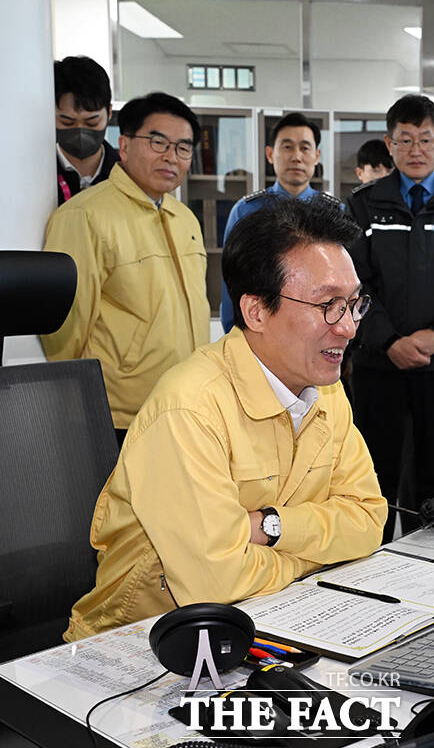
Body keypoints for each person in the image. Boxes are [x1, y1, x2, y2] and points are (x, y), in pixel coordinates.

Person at [63, 197, 387, 641]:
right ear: (256, 311)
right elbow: (215, 583)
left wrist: (269, 527)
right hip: (138, 643)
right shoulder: (189, 409)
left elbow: (368, 520)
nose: (348, 327)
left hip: (271, 620)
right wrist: (314, 556)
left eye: (353, 304)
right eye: (328, 305)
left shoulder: (326, 390)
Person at [347, 94, 434, 541]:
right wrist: (390, 340)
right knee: (373, 475)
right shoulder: (364, 205)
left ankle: (430, 569)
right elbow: (354, 282)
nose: (415, 150)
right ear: (389, 144)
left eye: (426, 139)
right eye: (405, 140)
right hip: (378, 364)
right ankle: (370, 563)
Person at [42, 92, 211, 444]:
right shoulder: (85, 215)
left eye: (183, 148)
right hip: (115, 414)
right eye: (158, 142)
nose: (171, 156)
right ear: (124, 145)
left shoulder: (185, 219)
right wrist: (75, 404)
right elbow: (66, 331)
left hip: (184, 405)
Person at [220, 111, 341, 333]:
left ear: (317, 156)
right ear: (269, 154)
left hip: (321, 330)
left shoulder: (334, 213)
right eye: (287, 147)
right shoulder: (246, 211)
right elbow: (231, 282)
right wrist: (235, 333)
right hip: (262, 330)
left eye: (305, 148)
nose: (296, 156)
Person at [54, 56, 119, 205]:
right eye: (67, 122)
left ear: (109, 112)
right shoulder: (32, 175)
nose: (80, 131)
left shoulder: (128, 174)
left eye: (92, 122)